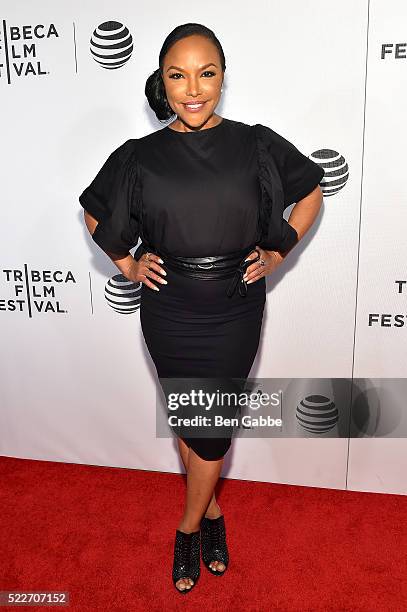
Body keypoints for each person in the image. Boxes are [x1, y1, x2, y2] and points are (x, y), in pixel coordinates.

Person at [79, 22, 324, 594]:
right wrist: (128, 265)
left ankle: (187, 527)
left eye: (206, 74)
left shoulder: (255, 143)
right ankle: (212, 514)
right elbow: (93, 210)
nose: (193, 88)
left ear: (222, 78)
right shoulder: (140, 156)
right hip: (169, 308)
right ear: (163, 83)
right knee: (192, 419)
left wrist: (279, 249)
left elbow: (310, 190)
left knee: (211, 429)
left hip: (235, 305)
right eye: (178, 76)